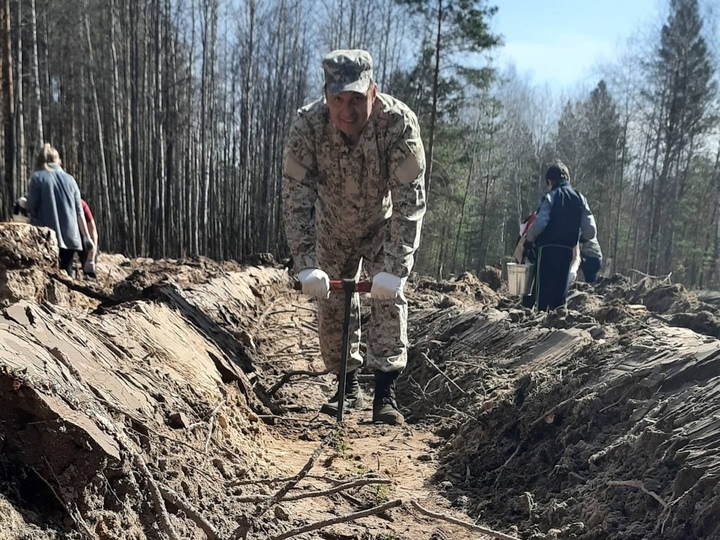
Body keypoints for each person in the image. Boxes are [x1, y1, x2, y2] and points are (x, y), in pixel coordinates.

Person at [282, 49, 426, 425]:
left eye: (357, 99)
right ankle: (345, 385)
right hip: (332, 226)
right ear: (327, 96)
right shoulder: (308, 128)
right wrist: (307, 265)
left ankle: (385, 393)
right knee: (331, 304)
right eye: (338, 99)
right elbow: (295, 200)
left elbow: (410, 201)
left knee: (388, 300)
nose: (348, 110)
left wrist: (395, 269)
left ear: (373, 94)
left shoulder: (398, 125)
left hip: (382, 226)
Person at [524, 161, 596, 311]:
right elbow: (590, 230)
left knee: (543, 292)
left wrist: (529, 240)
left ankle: (540, 319)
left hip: (546, 250)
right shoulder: (579, 198)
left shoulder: (551, 196)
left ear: (550, 182)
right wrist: (582, 238)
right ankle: (557, 320)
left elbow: (540, 223)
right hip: (566, 251)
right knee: (560, 294)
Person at [26, 144, 95, 276]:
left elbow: (31, 206)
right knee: (66, 274)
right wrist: (86, 237)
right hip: (70, 236)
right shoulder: (70, 179)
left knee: (46, 274)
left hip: (46, 236)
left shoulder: (37, 177)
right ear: (57, 160)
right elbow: (79, 212)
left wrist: (24, 204)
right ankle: (68, 295)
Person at [80, 199, 99, 278]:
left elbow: (93, 230)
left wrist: (91, 257)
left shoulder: (82, 205)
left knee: (89, 269)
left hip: (83, 236)